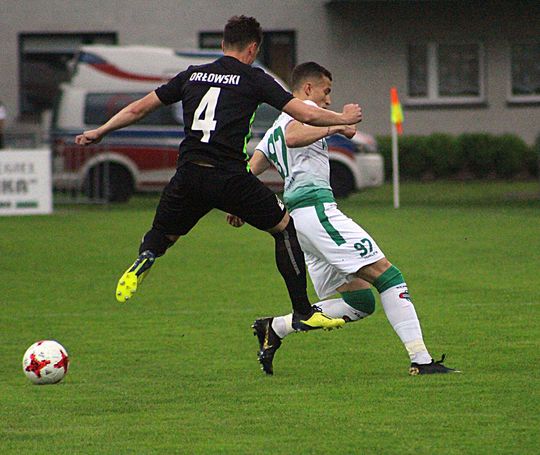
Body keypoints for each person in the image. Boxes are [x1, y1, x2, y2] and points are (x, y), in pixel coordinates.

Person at [75, 16, 363, 331]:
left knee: (164, 234)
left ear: (223, 44)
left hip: (188, 174)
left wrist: (100, 131)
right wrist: (342, 117)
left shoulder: (191, 75)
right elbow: (305, 113)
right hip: (229, 177)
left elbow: (138, 108)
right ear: (253, 49)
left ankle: (146, 255)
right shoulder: (253, 78)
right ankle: (303, 311)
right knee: (284, 229)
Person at [228, 62, 458, 375]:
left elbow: (252, 168)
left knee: (360, 301)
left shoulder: (274, 128)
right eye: (326, 91)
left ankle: (276, 327)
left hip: (297, 224)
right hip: (317, 214)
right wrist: (339, 124)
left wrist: (237, 203)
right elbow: (294, 137)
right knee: (389, 277)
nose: (328, 99)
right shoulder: (304, 112)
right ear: (308, 89)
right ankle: (422, 360)